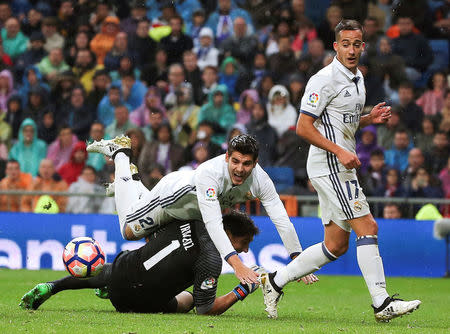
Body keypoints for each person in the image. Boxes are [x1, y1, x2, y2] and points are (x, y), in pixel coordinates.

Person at [259, 20, 421, 322]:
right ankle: (381, 303)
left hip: (338, 163)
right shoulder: (323, 80)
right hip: (330, 163)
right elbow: (303, 127)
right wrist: (339, 150)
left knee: (335, 244)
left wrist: (368, 119)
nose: (351, 49)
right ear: (335, 46)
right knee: (368, 227)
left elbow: (340, 123)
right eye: (345, 43)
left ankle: (275, 281)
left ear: (363, 46)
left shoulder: (358, 77)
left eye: (356, 44)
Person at [87, 134, 317, 287]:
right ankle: (120, 154)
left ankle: (130, 185)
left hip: (190, 213)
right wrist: (237, 265)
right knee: (128, 231)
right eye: (235, 161)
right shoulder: (210, 174)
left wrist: (299, 261)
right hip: (168, 200)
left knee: (155, 241)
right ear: (226, 157)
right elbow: (214, 223)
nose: (240, 169)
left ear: (255, 164)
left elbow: (282, 220)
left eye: (246, 164)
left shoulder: (261, 181)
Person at [20, 211, 265, 315]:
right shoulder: (210, 260)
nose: (244, 250)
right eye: (243, 242)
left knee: (124, 270)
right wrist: (244, 289)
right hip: (138, 304)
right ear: (228, 234)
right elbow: (207, 310)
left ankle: (53, 286)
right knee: (190, 300)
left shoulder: (190, 217)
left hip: (121, 274)